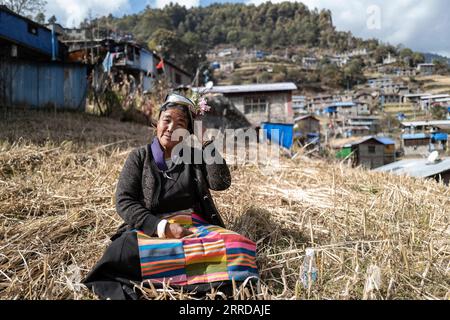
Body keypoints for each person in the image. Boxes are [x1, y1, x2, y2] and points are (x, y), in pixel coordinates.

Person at [83, 93, 259, 300]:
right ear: (156, 123)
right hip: (151, 230)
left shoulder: (194, 157)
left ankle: (189, 281)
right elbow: (124, 200)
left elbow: (221, 183)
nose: (171, 128)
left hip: (192, 229)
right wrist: (163, 228)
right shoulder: (139, 157)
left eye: (181, 124)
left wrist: (205, 142)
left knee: (238, 245)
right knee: (122, 250)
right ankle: (193, 278)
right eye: (166, 120)